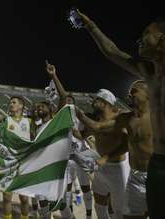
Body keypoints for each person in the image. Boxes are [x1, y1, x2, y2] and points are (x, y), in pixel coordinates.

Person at [76, 11, 165, 218]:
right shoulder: (150, 73)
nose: (140, 39)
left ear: (162, 39)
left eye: (146, 33)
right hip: (156, 165)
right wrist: (91, 27)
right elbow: (112, 52)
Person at [77, 80, 152, 218]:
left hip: (154, 175)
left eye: (134, 91)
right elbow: (97, 127)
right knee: (129, 215)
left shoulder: (158, 118)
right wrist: (77, 113)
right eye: (129, 92)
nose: (130, 94)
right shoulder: (126, 118)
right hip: (135, 176)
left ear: (148, 94)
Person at [46, 61, 93, 219]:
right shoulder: (60, 115)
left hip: (80, 154)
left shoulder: (79, 115)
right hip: (66, 157)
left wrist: (85, 141)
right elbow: (63, 96)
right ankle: (70, 214)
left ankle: (88, 215)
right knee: (67, 189)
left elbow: (85, 134)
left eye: (71, 101)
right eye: (67, 101)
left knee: (86, 188)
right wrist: (54, 75)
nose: (68, 102)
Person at [75, 89, 130, 219]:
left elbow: (126, 144)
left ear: (105, 102)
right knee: (99, 207)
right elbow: (82, 135)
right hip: (102, 168)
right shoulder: (97, 118)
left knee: (119, 212)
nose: (92, 102)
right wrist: (69, 128)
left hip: (119, 170)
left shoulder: (120, 117)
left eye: (96, 100)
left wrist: (80, 114)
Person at [2, 96, 34, 219]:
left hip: (24, 163)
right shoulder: (5, 121)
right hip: (9, 162)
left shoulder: (29, 122)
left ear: (21, 106)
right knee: (6, 196)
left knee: (24, 197)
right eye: (10, 102)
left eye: (13, 102)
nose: (11, 104)